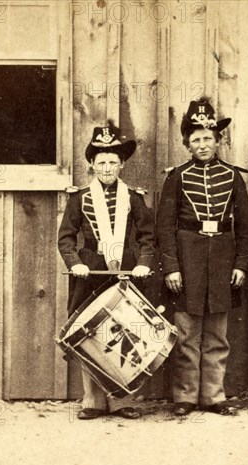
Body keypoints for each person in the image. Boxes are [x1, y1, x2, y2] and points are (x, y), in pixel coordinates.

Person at [156, 99, 248, 416]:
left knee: (217, 335)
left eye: (208, 138)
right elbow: (165, 228)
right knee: (186, 333)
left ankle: (213, 396)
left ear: (218, 140)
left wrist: (241, 264)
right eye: (196, 139)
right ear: (187, 143)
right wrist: (171, 267)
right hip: (187, 261)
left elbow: (245, 227)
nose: (202, 144)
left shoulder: (233, 177)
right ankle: (185, 396)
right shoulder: (177, 177)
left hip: (223, 263)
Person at [58, 123, 154, 420]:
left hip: (125, 271)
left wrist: (143, 263)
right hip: (91, 272)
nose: (107, 167)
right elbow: (66, 237)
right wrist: (76, 263)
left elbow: (148, 237)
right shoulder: (80, 198)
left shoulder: (134, 198)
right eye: (101, 162)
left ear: (121, 164)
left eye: (113, 162)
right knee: (91, 332)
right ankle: (93, 400)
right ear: (92, 164)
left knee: (124, 331)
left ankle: (121, 401)